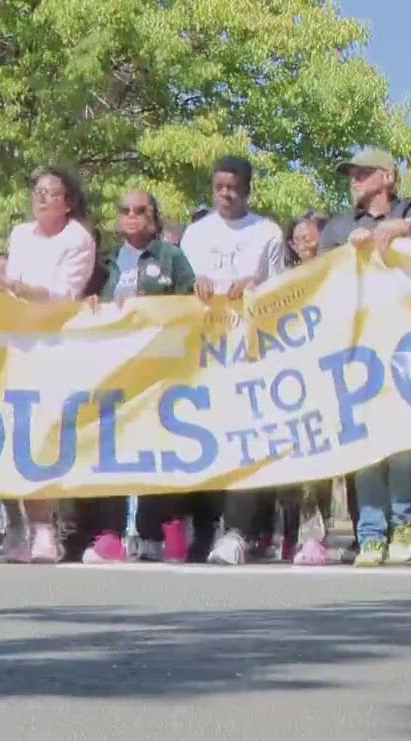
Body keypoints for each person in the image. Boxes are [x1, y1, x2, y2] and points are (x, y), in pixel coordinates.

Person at [319, 146, 411, 567]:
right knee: (366, 438)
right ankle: (371, 532)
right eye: (351, 174)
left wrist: (404, 230)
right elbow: (320, 278)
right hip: (358, 347)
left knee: (405, 437)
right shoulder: (338, 227)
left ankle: (407, 525)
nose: (353, 179)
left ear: (387, 177)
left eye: (362, 173)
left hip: (408, 342)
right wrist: (345, 251)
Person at [0, 165, 97, 564]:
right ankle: (18, 526)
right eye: (38, 190)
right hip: (15, 345)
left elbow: (65, 294)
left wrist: (16, 287)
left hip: (55, 346)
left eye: (52, 192)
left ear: (68, 203)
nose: (42, 197)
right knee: (11, 433)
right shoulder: (19, 234)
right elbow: (10, 281)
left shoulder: (78, 238)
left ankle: (46, 528)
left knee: (45, 435)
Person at [178, 155, 287, 566]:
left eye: (234, 187)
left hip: (250, 353)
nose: (226, 194)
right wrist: (196, 283)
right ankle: (203, 528)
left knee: (246, 440)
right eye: (219, 186)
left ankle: (239, 531)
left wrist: (258, 286)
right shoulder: (196, 233)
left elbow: (284, 292)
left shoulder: (267, 233)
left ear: (247, 189)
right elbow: (180, 285)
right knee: (206, 440)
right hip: (204, 354)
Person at [79, 189, 197, 564]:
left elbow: (189, 304)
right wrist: (89, 303)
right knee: (112, 447)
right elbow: (84, 301)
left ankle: (166, 527)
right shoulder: (106, 262)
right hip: (113, 369)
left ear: (153, 216)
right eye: (124, 209)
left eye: (139, 210)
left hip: (159, 369)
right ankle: (111, 533)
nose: (131, 215)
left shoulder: (171, 256)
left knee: (157, 446)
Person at [283, 210, 338, 567]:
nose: (305, 245)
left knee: (326, 463)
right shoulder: (282, 282)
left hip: (329, 376)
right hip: (292, 381)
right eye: (299, 239)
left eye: (311, 237)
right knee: (294, 464)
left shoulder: (337, 274)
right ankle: (292, 536)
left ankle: (319, 535)